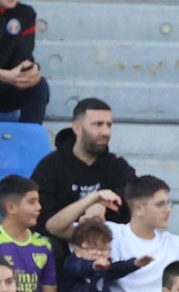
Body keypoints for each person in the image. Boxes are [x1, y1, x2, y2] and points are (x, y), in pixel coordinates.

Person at [35, 99, 136, 236]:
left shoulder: (116, 165)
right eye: (98, 124)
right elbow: (41, 222)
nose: (106, 132)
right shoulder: (50, 167)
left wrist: (102, 205)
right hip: (63, 243)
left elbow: (137, 195)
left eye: (109, 125)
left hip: (108, 244)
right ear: (77, 128)